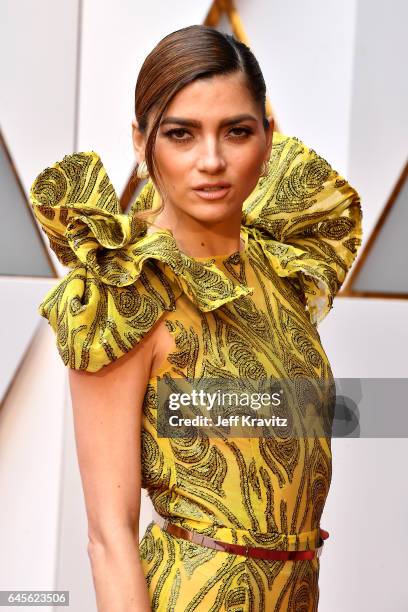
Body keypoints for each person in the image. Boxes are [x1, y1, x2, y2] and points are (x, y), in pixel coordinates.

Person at [30, 24, 362, 612]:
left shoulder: (282, 267)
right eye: (181, 134)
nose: (212, 161)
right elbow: (109, 538)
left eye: (236, 131)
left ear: (266, 136)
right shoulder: (127, 290)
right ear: (141, 141)